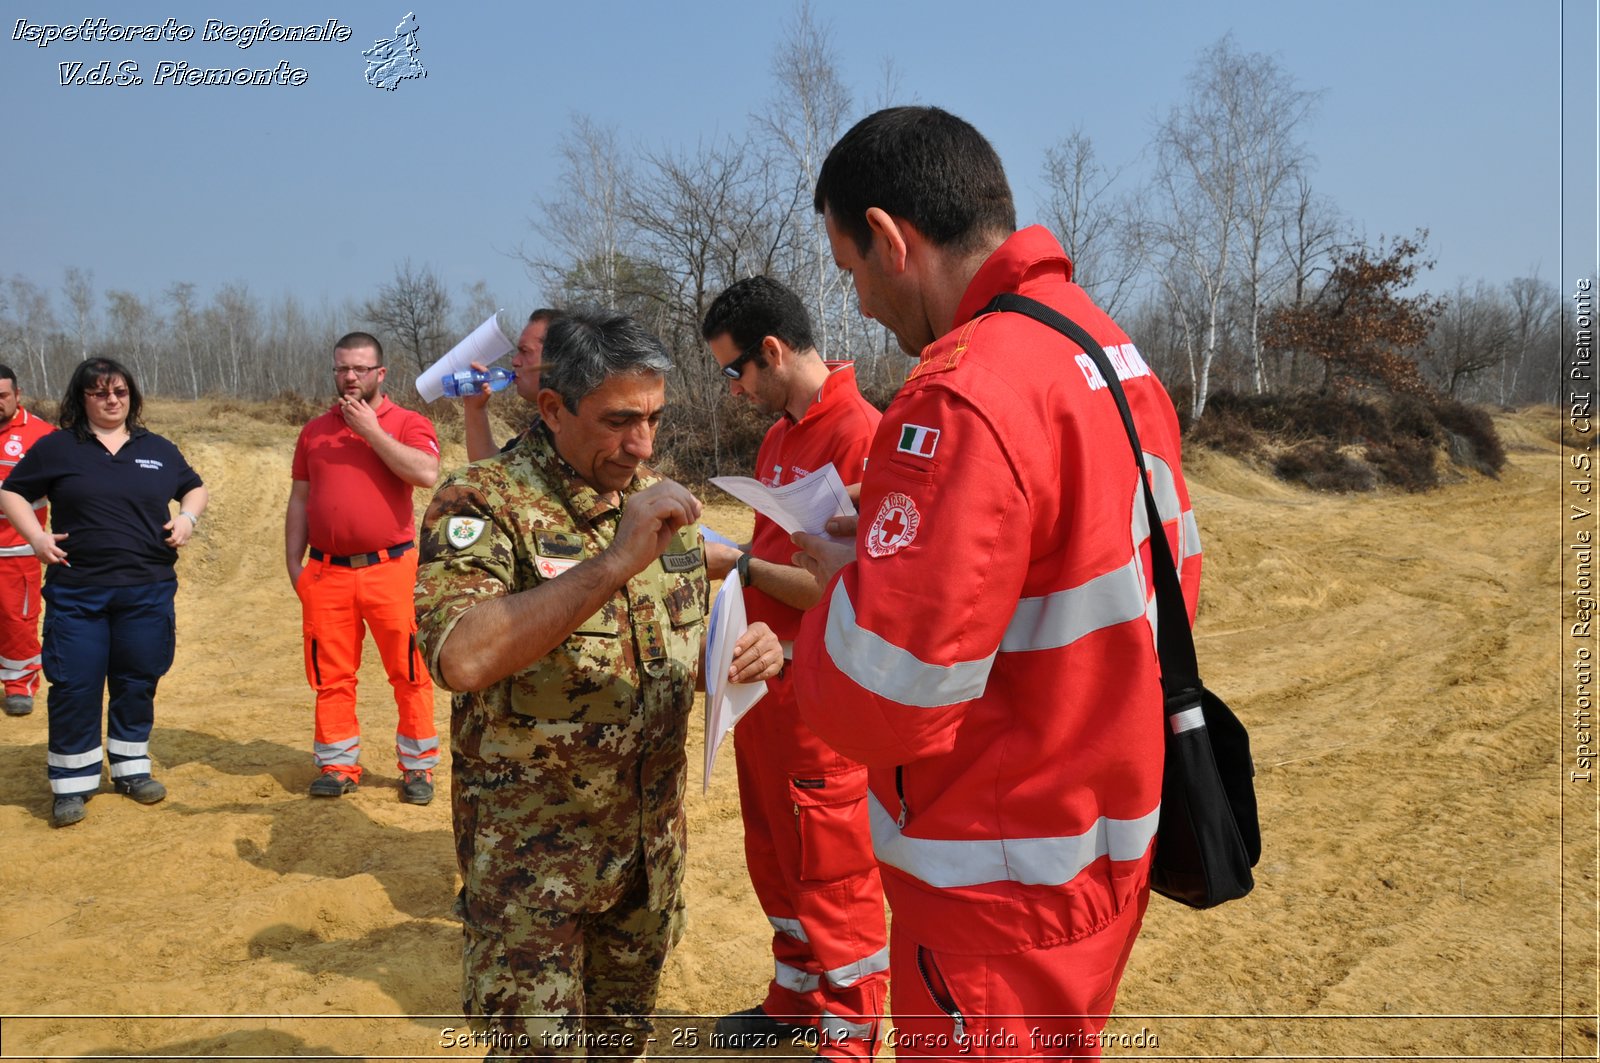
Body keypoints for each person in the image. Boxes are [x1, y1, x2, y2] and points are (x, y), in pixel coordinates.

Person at [790, 106, 1203, 1058]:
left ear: (892, 238)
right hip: (1100, 837)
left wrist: (843, 596)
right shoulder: (1104, 349)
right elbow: (1142, 576)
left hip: (995, 877)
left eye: (852, 270)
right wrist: (906, 563)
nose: (856, 304)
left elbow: (889, 696)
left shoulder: (961, 390)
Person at [414, 309, 785, 1058]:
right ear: (552, 407)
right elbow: (462, 656)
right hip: (533, 877)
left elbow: (673, 648)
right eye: (619, 421)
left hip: (643, 868)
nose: (642, 445)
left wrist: (757, 651)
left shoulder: (664, 506)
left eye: (652, 418)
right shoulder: (483, 503)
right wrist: (614, 561)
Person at [699, 276, 888, 1057]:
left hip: (821, 697)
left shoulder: (861, 434)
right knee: (776, 859)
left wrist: (736, 564)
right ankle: (793, 1002)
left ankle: (848, 1034)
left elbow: (846, 588)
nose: (734, 388)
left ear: (771, 350)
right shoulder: (781, 435)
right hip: (764, 691)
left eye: (733, 370)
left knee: (833, 873)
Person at [0, 357, 207, 829]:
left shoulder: (157, 447)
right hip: (78, 593)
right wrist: (37, 537)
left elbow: (194, 488)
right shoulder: (58, 448)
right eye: (99, 393)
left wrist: (187, 519)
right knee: (76, 684)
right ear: (82, 399)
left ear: (131, 397)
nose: (111, 400)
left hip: (147, 590)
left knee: (138, 679)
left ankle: (132, 770)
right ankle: (72, 783)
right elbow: (11, 492)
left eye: (119, 392)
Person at [285, 332, 441, 804]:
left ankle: (418, 769)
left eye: (359, 369)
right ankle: (337, 764)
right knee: (330, 676)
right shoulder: (314, 431)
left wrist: (372, 430)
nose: (349, 378)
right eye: (341, 369)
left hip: (392, 568)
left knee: (410, 670)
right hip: (327, 573)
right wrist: (295, 566)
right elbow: (300, 500)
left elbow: (425, 473)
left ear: (380, 373)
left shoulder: (409, 421)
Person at [0, 367, 55, 717]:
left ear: (17, 395)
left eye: (2, 396)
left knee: (17, 620)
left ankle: (19, 684)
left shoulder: (42, 436)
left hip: (17, 550)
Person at [461, 308, 561, 461]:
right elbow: (491, 471)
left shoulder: (576, 426)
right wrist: (475, 408)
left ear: (557, 357)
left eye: (525, 351)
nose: (515, 361)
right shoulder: (545, 422)